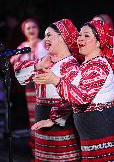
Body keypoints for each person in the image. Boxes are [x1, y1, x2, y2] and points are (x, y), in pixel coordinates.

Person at [33, 20, 114, 161]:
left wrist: (55, 80)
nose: (80, 38)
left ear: (99, 42)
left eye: (86, 35)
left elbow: (82, 97)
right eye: (80, 34)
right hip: (91, 132)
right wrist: (54, 119)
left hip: (103, 130)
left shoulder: (99, 66)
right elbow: (72, 99)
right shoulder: (86, 66)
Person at [14, 19, 81, 161]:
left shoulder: (71, 64)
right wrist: (37, 66)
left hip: (61, 124)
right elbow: (20, 76)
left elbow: (74, 98)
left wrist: (54, 119)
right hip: (41, 119)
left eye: (49, 35)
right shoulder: (46, 61)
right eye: (45, 35)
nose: (45, 39)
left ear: (62, 36)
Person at [10, 18, 48, 153]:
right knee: (34, 115)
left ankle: (49, 145)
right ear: (24, 31)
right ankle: (37, 148)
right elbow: (13, 61)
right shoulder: (22, 46)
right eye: (28, 28)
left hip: (47, 84)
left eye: (33, 27)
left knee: (48, 113)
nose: (31, 30)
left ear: (38, 28)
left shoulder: (45, 43)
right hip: (31, 87)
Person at [92, 14, 114, 156]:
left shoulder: (113, 41)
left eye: (100, 23)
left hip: (110, 88)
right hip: (95, 89)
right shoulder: (90, 43)